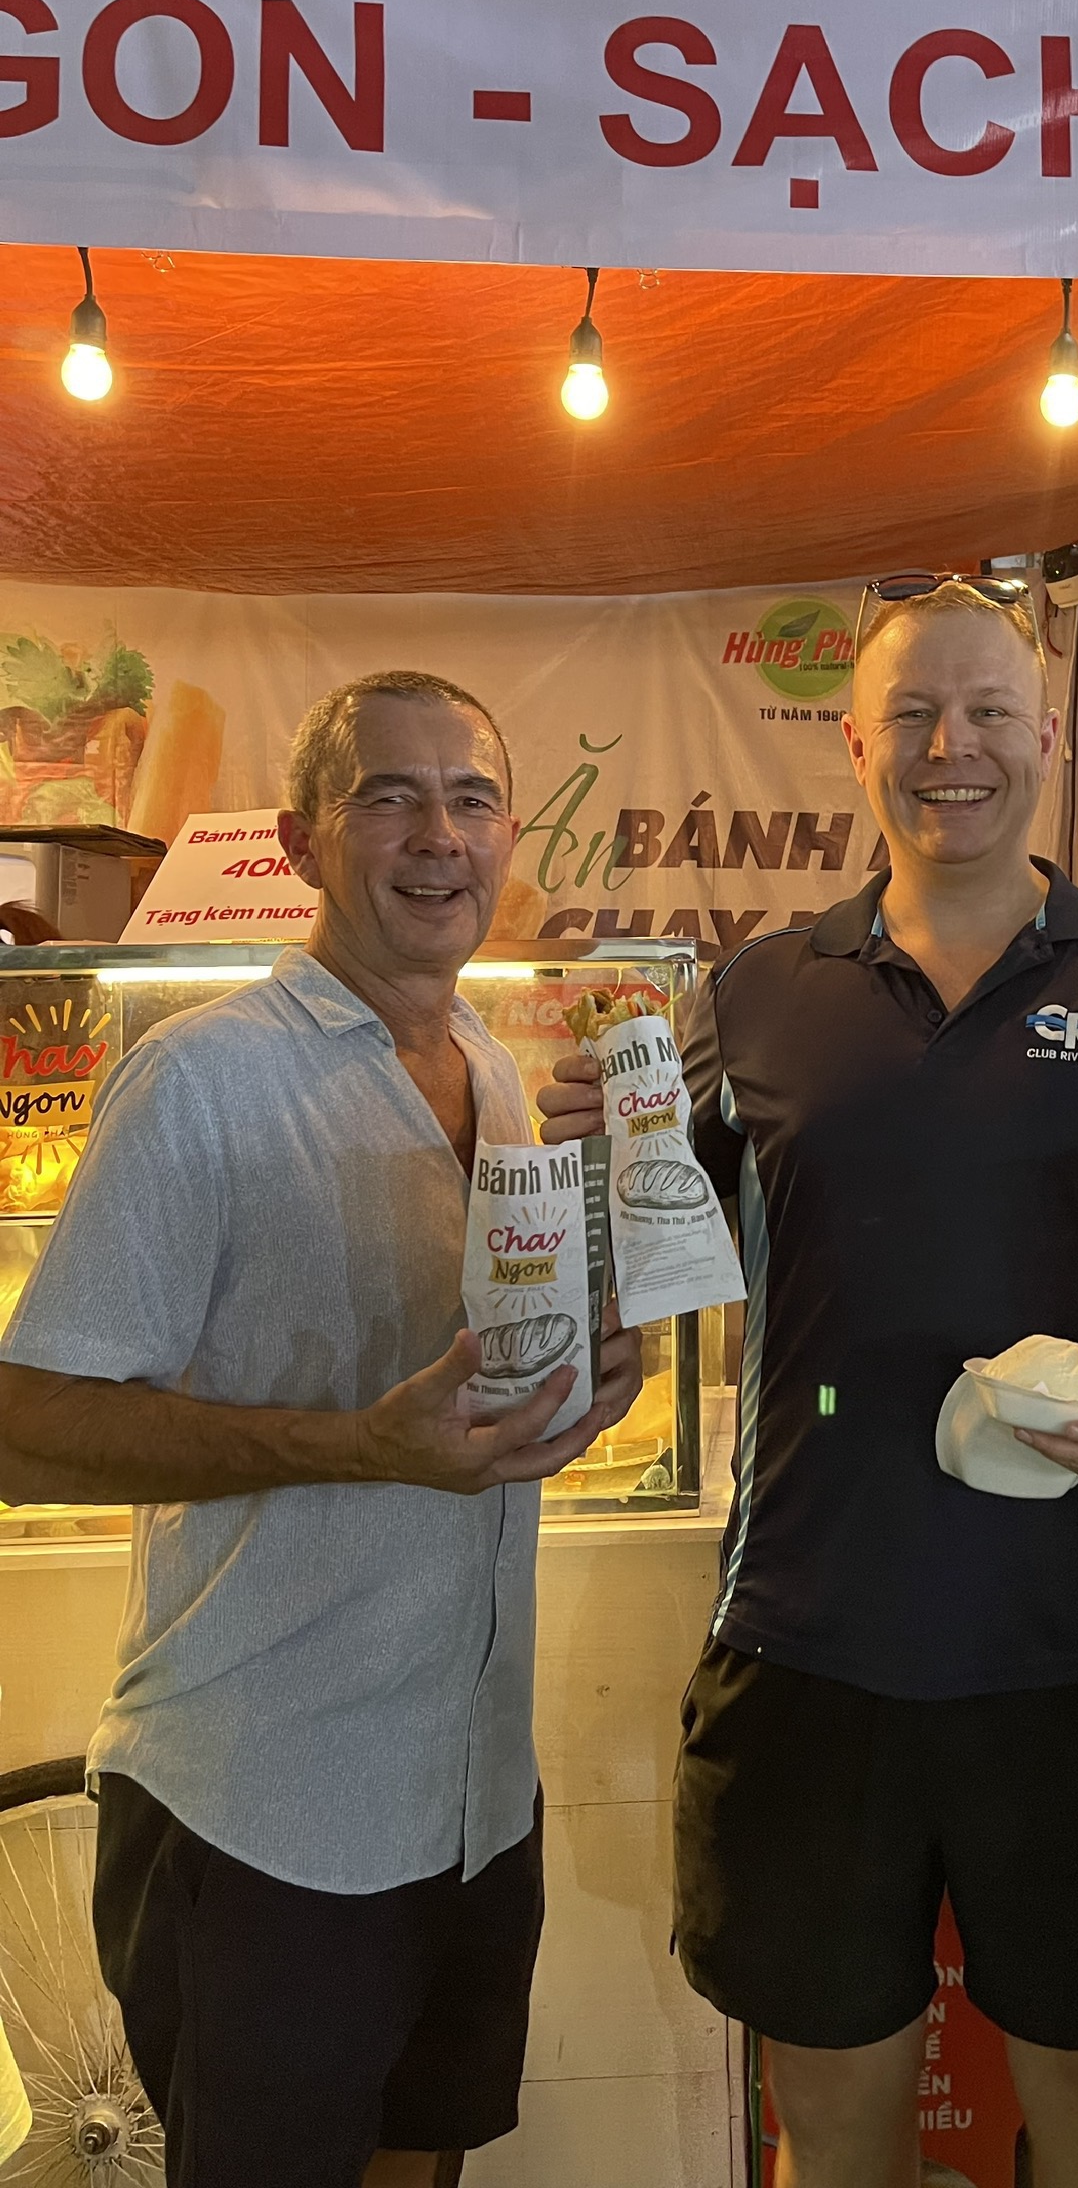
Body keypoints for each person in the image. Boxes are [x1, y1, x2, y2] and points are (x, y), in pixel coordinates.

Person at [541, 574, 1078, 2188]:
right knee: (836, 2139)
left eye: (991, 714)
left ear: (1045, 745)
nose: (954, 749)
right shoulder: (747, 994)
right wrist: (584, 1157)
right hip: (811, 1648)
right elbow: (656, 1258)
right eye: (915, 719)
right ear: (859, 752)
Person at [0, 669, 643, 2188]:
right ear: (302, 841)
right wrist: (360, 1443)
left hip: (472, 1797)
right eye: (391, 797)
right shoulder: (201, 1081)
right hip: (263, 1816)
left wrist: (586, 1377)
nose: (441, 835)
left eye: (473, 798)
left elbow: (468, 1397)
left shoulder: (491, 1067)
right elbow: (24, 1429)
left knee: (423, 2165)